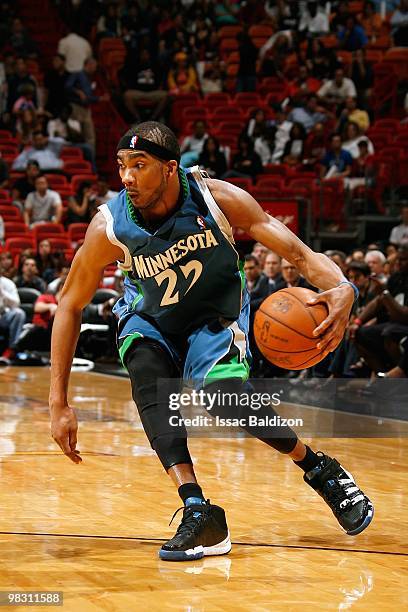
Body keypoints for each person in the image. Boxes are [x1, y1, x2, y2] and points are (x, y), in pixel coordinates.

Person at [49, 121, 373, 563]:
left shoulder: (216, 199)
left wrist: (342, 287)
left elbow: (297, 253)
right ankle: (198, 509)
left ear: (169, 168)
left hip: (214, 316)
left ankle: (318, 468)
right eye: (122, 165)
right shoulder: (110, 226)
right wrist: (58, 404)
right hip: (151, 319)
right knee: (147, 376)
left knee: (223, 398)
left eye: (139, 165)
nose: (126, 176)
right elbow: (68, 304)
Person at [0, 269, 26, 364]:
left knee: (19, 313)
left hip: (3, 317)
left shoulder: (8, 283)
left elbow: (16, 303)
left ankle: (11, 350)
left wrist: (2, 292)